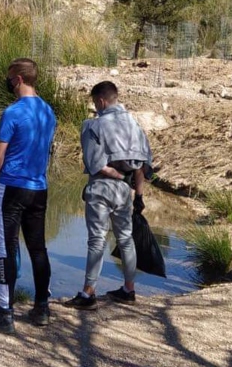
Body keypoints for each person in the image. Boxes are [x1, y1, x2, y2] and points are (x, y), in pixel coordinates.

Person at [0, 58, 57, 333]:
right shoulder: (48, 111)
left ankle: (4, 311)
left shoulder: (13, 112)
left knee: (5, 248)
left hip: (12, 186)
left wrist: (2, 181)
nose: (8, 83)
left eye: (10, 78)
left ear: (18, 79)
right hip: (39, 188)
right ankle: (42, 307)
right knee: (38, 248)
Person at [64, 81, 152, 310]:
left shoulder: (94, 126)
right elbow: (141, 166)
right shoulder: (135, 126)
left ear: (101, 101)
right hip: (125, 192)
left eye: (95, 103)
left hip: (102, 188)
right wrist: (138, 195)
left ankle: (88, 293)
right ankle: (129, 289)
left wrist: (115, 175)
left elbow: (96, 164)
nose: (95, 107)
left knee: (96, 240)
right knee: (125, 238)